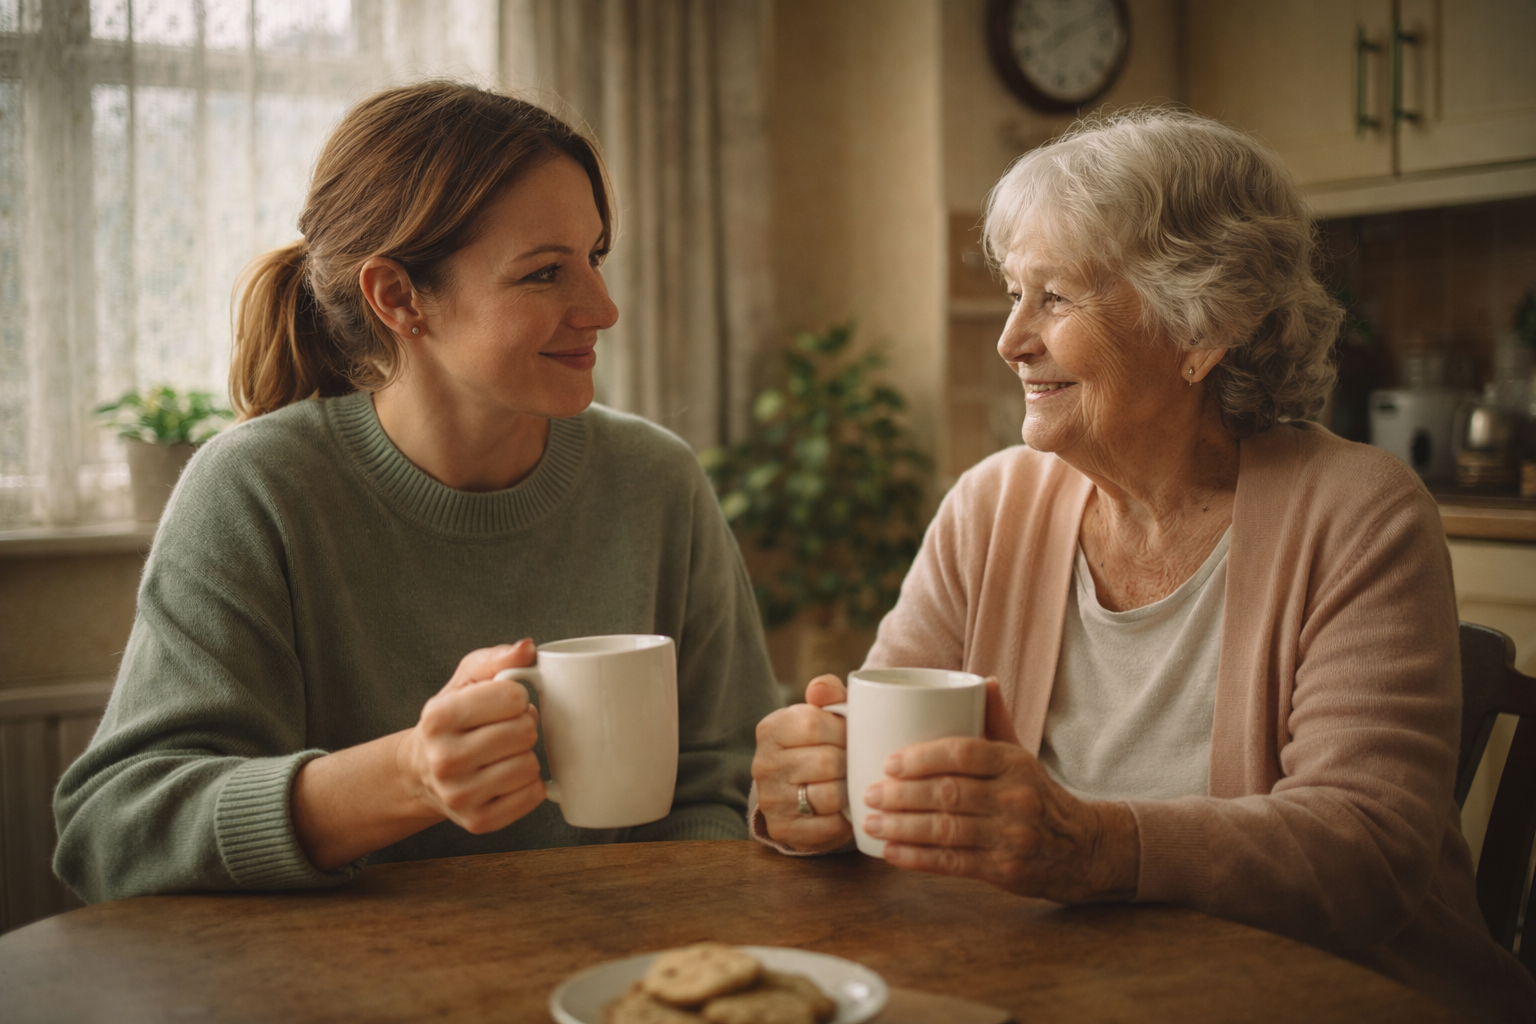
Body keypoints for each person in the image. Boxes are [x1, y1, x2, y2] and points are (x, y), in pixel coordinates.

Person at [749, 109, 1536, 1021]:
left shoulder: (1361, 513)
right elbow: (886, 758)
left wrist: (1098, 846)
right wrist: (814, 787)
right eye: (1013, 293)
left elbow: (1365, 851)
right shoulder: (990, 506)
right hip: (1061, 990)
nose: (1010, 340)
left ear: (1206, 328)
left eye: (1055, 298)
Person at [53, 82, 779, 903]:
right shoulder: (256, 492)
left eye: (596, 258)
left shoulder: (657, 481)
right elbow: (110, 834)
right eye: (545, 273)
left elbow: (732, 779)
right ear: (397, 297)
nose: (603, 308)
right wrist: (406, 778)